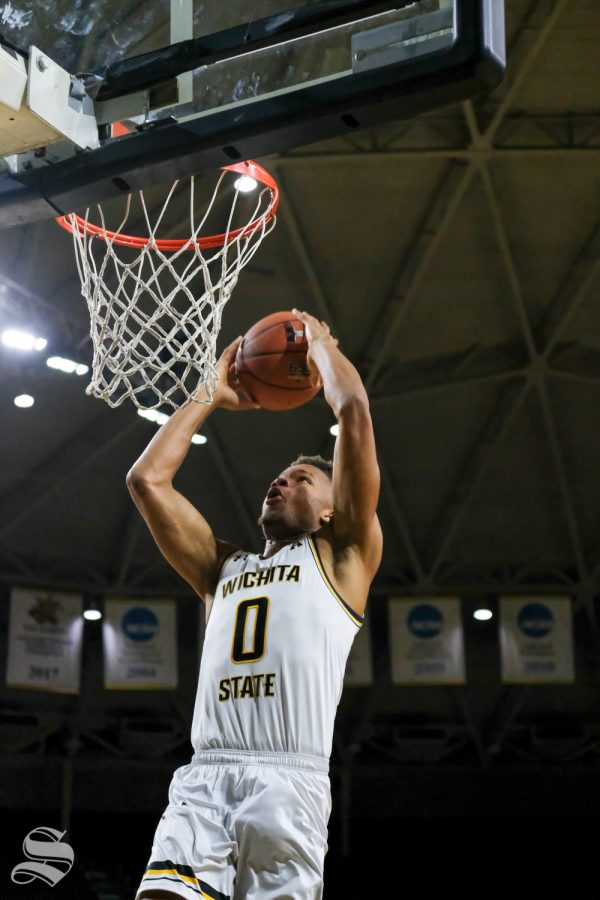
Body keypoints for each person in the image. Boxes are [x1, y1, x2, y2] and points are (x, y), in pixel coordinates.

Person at [127, 309, 382, 900]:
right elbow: (147, 482)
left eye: (300, 479)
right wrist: (206, 395)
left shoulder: (343, 557)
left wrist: (317, 345)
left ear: (330, 510)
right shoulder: (223, 570)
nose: (281, 482)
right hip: (205, 776)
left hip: (288, 781)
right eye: (278, 476)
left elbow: (354, 413)